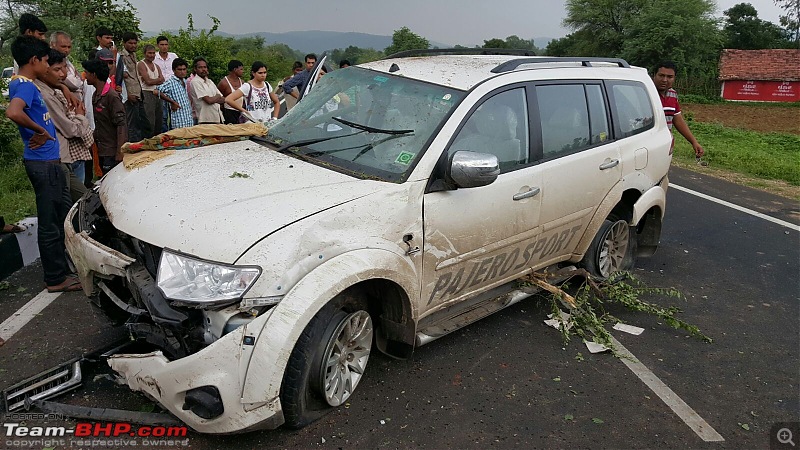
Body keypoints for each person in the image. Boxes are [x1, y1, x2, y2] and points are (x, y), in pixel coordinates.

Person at [5, 36, 81, 293]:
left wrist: (64, 88)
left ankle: (63, 269)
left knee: (61, 215)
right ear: (34, 60)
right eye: (47, 62)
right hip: (43, 163)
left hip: (48, 161)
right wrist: (39, 130)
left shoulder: (21, 82)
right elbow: (13, 112)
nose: (49, 67)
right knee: (50, 223)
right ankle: (55, 278)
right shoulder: (25, 85)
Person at [35, 49, 90, 202]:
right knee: (70, 201)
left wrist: (63, 87)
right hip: (57, 158)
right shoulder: (46, 96)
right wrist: (80, 116)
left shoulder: (55, 89)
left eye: (65, 68)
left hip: (64, 156)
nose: (63, 74)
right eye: (57, 69)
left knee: (81, 198)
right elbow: (70, 129)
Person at [653, 61, 704, 160]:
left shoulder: (673, 94)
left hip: (665, 146)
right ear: (654, 75)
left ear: (674, 78)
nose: (665, 80)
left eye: (669, 77)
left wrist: (694, 142)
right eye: (661, 75)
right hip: (647, 147)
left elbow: (677, 119)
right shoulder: (645, 92)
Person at [84, 58, 127, 175]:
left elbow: (121, 125)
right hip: (102, 149)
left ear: (94, 75)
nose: (85, 76)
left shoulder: (111, 96)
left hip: (111, 151)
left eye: (86, 73)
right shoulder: (96, 95)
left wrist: (119, 151)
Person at [118, 32, 147, 141]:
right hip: (130, 95)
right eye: (130, 43)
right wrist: (127, 94)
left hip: (138, 93)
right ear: (124, 43)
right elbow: (121, 78)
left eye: (135, 43)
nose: (133, 45)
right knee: (131, 125)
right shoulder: (121, 57)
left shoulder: (133, 55)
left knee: (140, 123)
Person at [155, 58, 193, 129]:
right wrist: (172, 102)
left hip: (188, 119)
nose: (182, 72)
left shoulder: (184, 81)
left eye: (184, 69)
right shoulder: (171, 82)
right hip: (179, 121)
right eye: (179, 69)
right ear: (173, 70)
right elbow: (156, 91)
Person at [137, 44, 164, 137]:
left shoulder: (156, 66)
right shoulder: (141, 64)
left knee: (159, 120)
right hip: (146, 93)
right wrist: (157, 80)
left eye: (153, 53)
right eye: (149, 53)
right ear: (144, 53)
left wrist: (153, 81)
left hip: (156, 93)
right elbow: (148, 81)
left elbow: (162, 79)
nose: (151, 55)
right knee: (149, 121)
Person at [190, 57, 224, 124]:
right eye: (200, 67)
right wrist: (217, 96)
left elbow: (222, 99)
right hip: (205, 119)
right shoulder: (195, 82)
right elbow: (209, 100)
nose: (203, 69)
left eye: (205, 67)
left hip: (217, 117)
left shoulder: (210, 81)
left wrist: (215, 97)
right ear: (195, 69)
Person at [154, 36, 178, 131]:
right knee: (163, 116)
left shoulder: (173, 56)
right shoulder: (154, 57)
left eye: (166, 44)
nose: (164, 47)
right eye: (162, 45)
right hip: (161, 89)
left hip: (173, 89)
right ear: (158, 45)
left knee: (174, 114)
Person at [217, 60, 244, 124]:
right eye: (241, 69)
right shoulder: (224, 83)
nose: (243, 71)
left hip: (241, 112)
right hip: (228, 113)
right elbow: (218, 98)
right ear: (235, 69)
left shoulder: (242, 82)